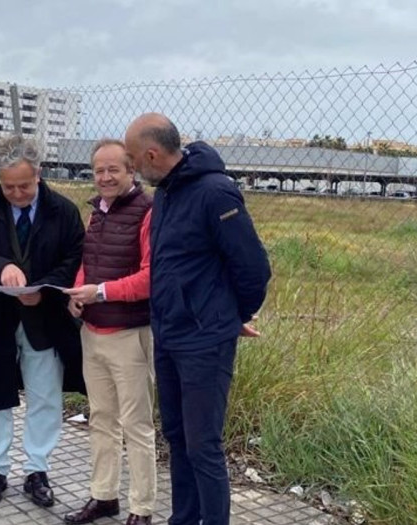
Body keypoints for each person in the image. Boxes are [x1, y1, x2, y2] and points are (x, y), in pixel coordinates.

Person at [123, 113, 272, 525]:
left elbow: (253, 268)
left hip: (205, 341)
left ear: (152, 153)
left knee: (203, 445)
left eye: (134, 160)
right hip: (169, 335)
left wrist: (230, 317)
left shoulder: (215, 193)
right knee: (177, 437)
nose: (133, 168)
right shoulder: (166, 193)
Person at [0, 133, 86, 510]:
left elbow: (74, 258)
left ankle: (37, 469)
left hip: (43, 318)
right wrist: (2, 268)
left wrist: (44, 290)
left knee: (44, 393)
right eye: (8, 186)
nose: (16, 193)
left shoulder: (63, 210)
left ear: (40, 174)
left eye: (24, 185)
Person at [62, 139, 157, 525]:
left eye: (113, 169)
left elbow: (153, 277)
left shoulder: (149, 211)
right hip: (93, 330)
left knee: (136, 424)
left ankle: (142, 508)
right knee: (101, 418)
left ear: (131, 170)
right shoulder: (96, 212)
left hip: (129, 334)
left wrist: (99, 292)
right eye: (98, 170)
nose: (104, 177)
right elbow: (90, 262)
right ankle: (104, 497)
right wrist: (78, 294)